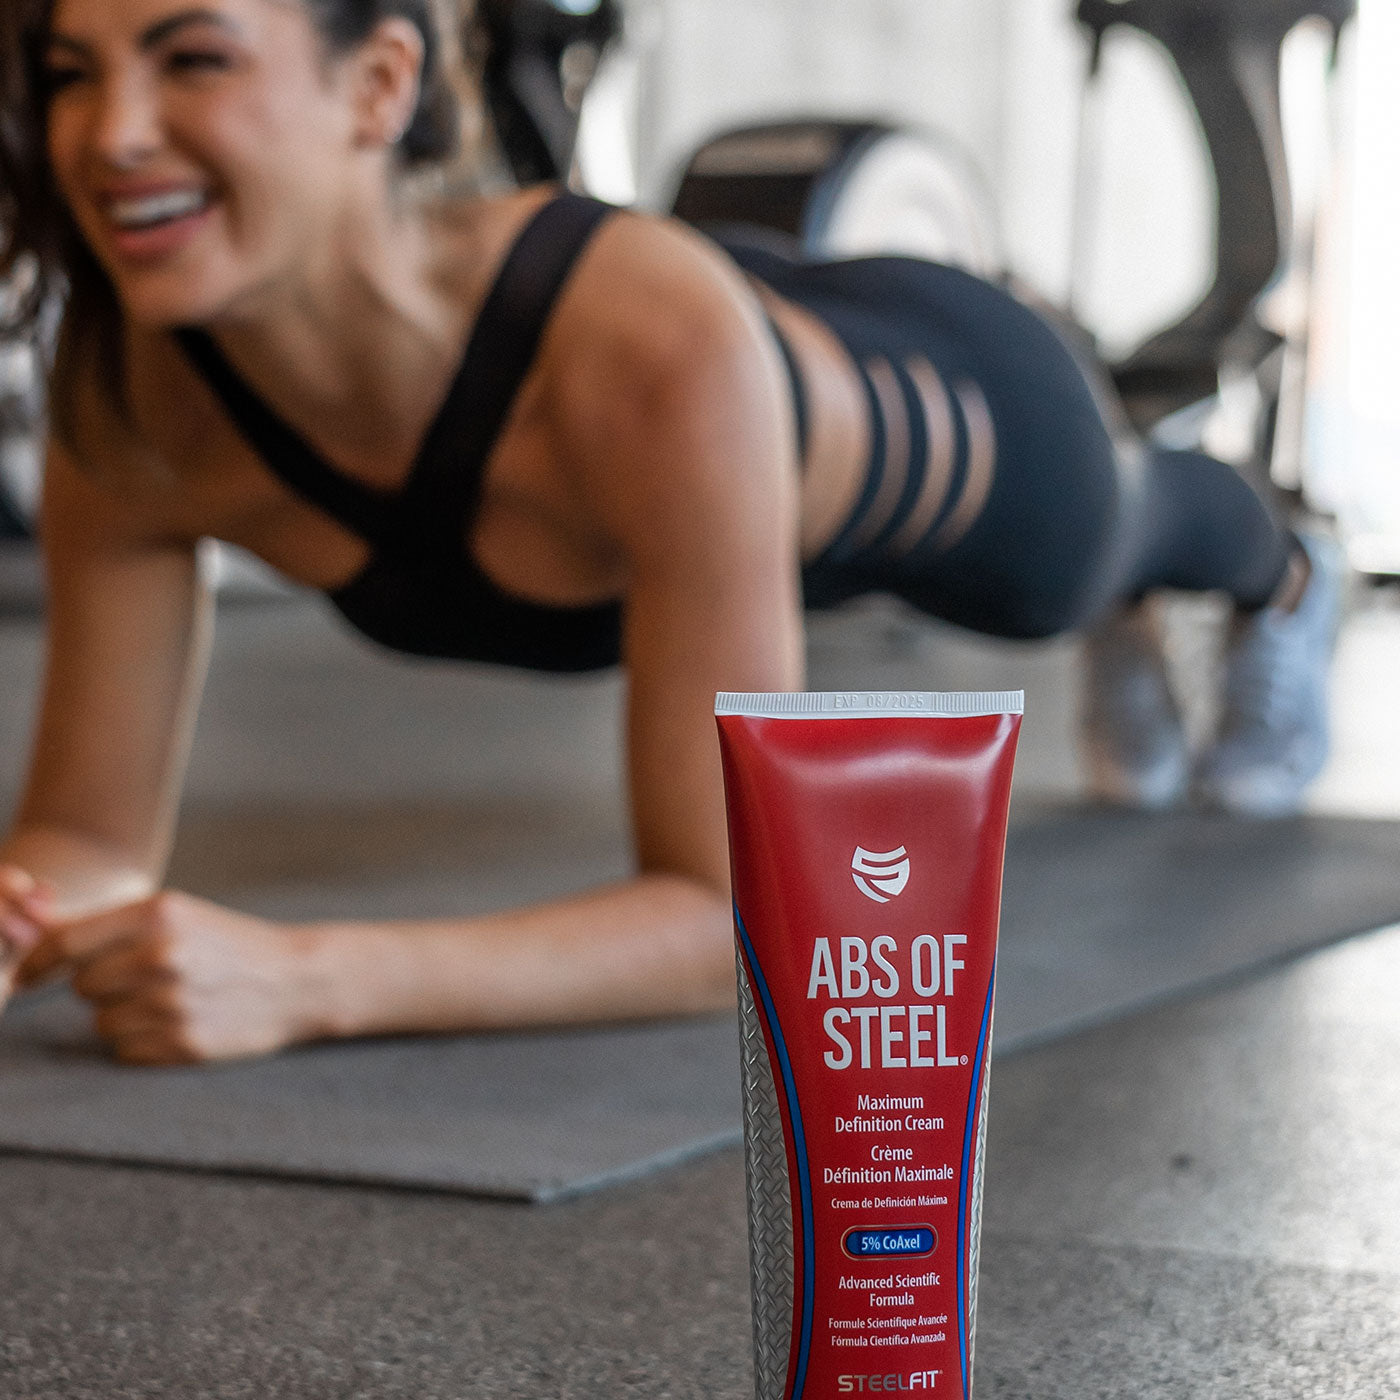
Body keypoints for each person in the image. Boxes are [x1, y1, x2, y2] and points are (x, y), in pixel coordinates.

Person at [0, 0, 1341, 1064]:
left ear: (379, 86)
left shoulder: (638, 353)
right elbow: (86, 845)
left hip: (949, 407)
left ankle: (1286, 571)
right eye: (71, 71)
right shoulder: (132, 405)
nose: (111, 132)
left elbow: (729, 924)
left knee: (1109, 539)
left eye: (192, 59)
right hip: (719, 357)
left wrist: (304, 978)